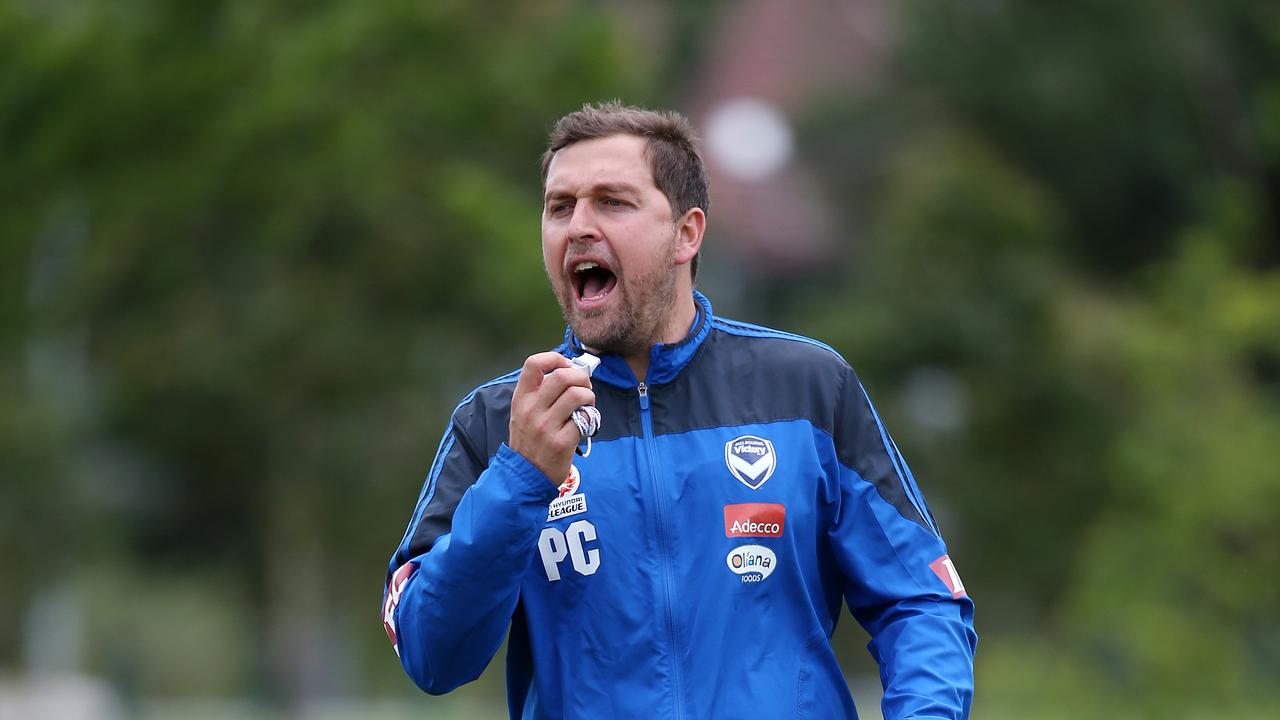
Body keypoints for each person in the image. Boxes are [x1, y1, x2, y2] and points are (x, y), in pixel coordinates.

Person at [381, 101, 976, 719]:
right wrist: (521, 479)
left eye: (613, 202)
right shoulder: (501, 423)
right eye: (560, 206)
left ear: (686, 234)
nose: (579, 226)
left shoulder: (807, 388)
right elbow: (432, 656)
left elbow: (922, 601)